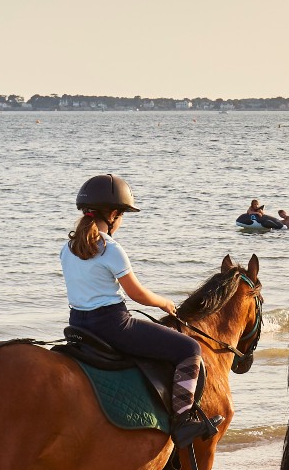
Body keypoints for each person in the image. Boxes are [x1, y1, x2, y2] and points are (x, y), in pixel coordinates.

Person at [63, 174, 221, 443]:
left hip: (78, 325)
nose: (121, 221)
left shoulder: (68, 248)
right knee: (189, 349)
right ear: (113, 214)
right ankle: (183, 419)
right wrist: (165, 302)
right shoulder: (110, 248)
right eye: (122, 215)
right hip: (113, 326)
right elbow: (137, 294)